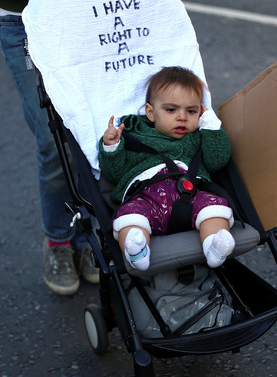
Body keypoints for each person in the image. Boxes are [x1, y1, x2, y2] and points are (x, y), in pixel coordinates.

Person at [0, 0, 139, 295]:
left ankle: (92, 235)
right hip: (23, 20)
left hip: (88, 9)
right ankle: (59, 241)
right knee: (52, 139)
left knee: (97, 130)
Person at [99, 66, 236, 271]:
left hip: (191, 194)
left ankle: (214, 245)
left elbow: (217, 160)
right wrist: (111, 148)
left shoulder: (197, 138)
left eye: (191, 111)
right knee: (129, 217)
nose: (182, 117)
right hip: (146, 198)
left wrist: (210, 126)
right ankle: (137, 250)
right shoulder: (136, 136)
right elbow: (115, 174)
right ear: (151, 113)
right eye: (171, 110)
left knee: (215, 208)